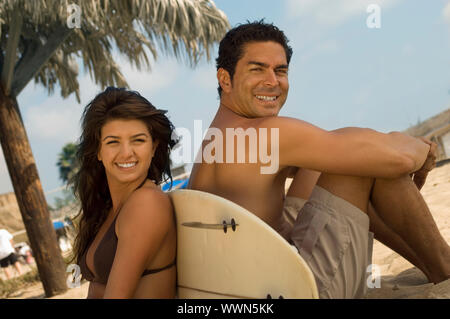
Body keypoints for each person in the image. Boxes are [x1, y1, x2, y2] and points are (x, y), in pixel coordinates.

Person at [188, 21, 450, 298]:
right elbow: (398, 159)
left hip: (248, 279)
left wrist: (384, 151)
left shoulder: (214, 141)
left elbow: (339, 146)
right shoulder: (268, 133)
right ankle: (444, 266)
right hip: (290, 290)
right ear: (225, 79)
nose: (272, 81)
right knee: (359, 162)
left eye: (280, 70)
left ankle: (431, 264)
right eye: (257, 69)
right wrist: (422, 150)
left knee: (335, 156)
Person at [72, 87, 177, 298]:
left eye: (138, 140)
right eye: (113, 142)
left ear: (154, 147)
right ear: (98, 151)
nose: (126, 153)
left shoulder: (146, 203)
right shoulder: (110, 208)